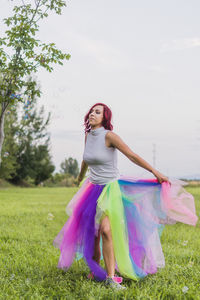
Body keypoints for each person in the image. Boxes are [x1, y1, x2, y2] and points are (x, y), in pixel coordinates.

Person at [54, 103, 198, 290]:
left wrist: (155, 172)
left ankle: (111, 278)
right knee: (92, 232)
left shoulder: (110, 136)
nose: (92, 113)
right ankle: (95, 270)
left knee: (106, 230)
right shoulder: (88, 136)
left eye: (98, 112)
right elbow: (85, 159)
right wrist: (80, 177)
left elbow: (132, 156)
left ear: (105, 118)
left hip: (110, 189)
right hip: (92, 188)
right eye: (91, 111)